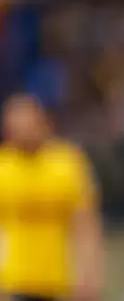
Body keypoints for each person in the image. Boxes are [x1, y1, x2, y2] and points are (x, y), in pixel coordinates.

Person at [0, 94, 103, 301]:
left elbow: (85, 224)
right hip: (13, 279)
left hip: (58, 280)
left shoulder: (67, 163)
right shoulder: (4, 166)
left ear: (42, 122)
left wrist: (90, 273)